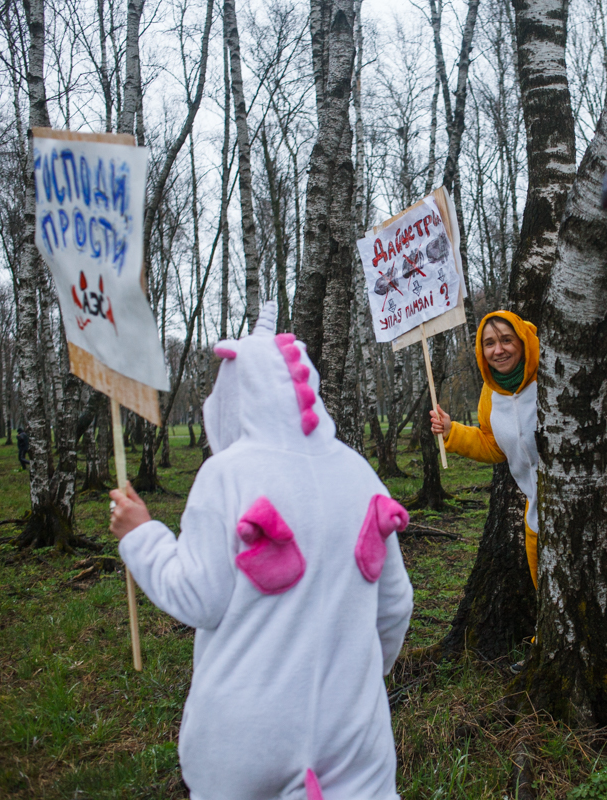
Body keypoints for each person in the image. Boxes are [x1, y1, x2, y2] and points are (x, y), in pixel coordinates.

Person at [108, 302, 413, 800]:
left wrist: (141, 536)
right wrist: (358, 677)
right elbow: (396, 605)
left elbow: (196, 598)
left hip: (244, 744)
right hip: (356, 743)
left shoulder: (228, 475)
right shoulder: (361, 474)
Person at [429, 311, 607, 589]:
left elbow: (601, 390)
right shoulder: (489, 394)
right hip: (537, 511)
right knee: (546, 592)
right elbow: (494, 446)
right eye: (490, 343)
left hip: (592, 494)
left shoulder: (551, 372)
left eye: (507, 340)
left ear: (521, 341)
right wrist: (452, 432)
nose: (498, 350)